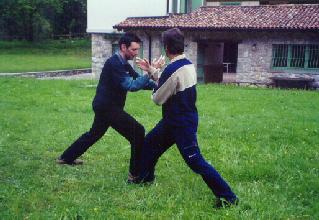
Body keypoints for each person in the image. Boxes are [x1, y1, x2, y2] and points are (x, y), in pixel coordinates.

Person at [135, 28, 239, 208]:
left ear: (166, 48)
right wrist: (152, 70)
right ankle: (145, 178)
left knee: (195, 160)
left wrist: (154, 77)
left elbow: (158, 98)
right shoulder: (188, 64)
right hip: (178, 119)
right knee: (150, 143)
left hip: (180, 124)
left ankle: (229, 198)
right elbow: (171, 81)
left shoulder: (172, 69)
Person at [56, 33, 156, 181]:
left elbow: (138, 80)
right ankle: (134, 174)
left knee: (94, 134)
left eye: (137, 50)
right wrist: (149, 74)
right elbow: (131, 85)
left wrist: (158, 84)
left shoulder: (123, 64)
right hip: (107, 107)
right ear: (123, 47)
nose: (136, 54)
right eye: (133, 50)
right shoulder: (114, 63)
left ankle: (66, 158)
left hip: (105, 106)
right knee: (138, 132)